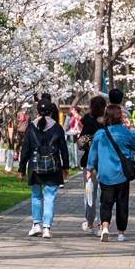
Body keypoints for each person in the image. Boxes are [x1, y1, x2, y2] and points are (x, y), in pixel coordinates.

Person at [88, 104, 135, 241]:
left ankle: (105, 227)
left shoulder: (100, 134)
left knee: (105, 202)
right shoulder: (125, 132)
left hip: (105, 173)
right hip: (122, 174)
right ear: (120, 117)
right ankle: (121, 232)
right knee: (122, 203)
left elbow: (93, 153)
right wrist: (130, 127)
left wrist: (89, 169)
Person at [17, 95, 70, 237]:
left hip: (35, 166)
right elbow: (64, 149)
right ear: (51, 112)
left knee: (36, 195)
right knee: (50, 197)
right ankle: (47, 227)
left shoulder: (31, 127)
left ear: (38, 112)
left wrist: (21, 169)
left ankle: (36, 224)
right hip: (53, 166)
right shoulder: (57, 128)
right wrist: (66, 166)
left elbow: (25, 150)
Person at [77, 93, 107, 233]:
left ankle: (90, 222)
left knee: (89, 193)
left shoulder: (88, 120)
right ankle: (102, 224)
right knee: (103, 194)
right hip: (106, 161)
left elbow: (81, 143)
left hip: (89, 161)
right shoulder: (107, 121)